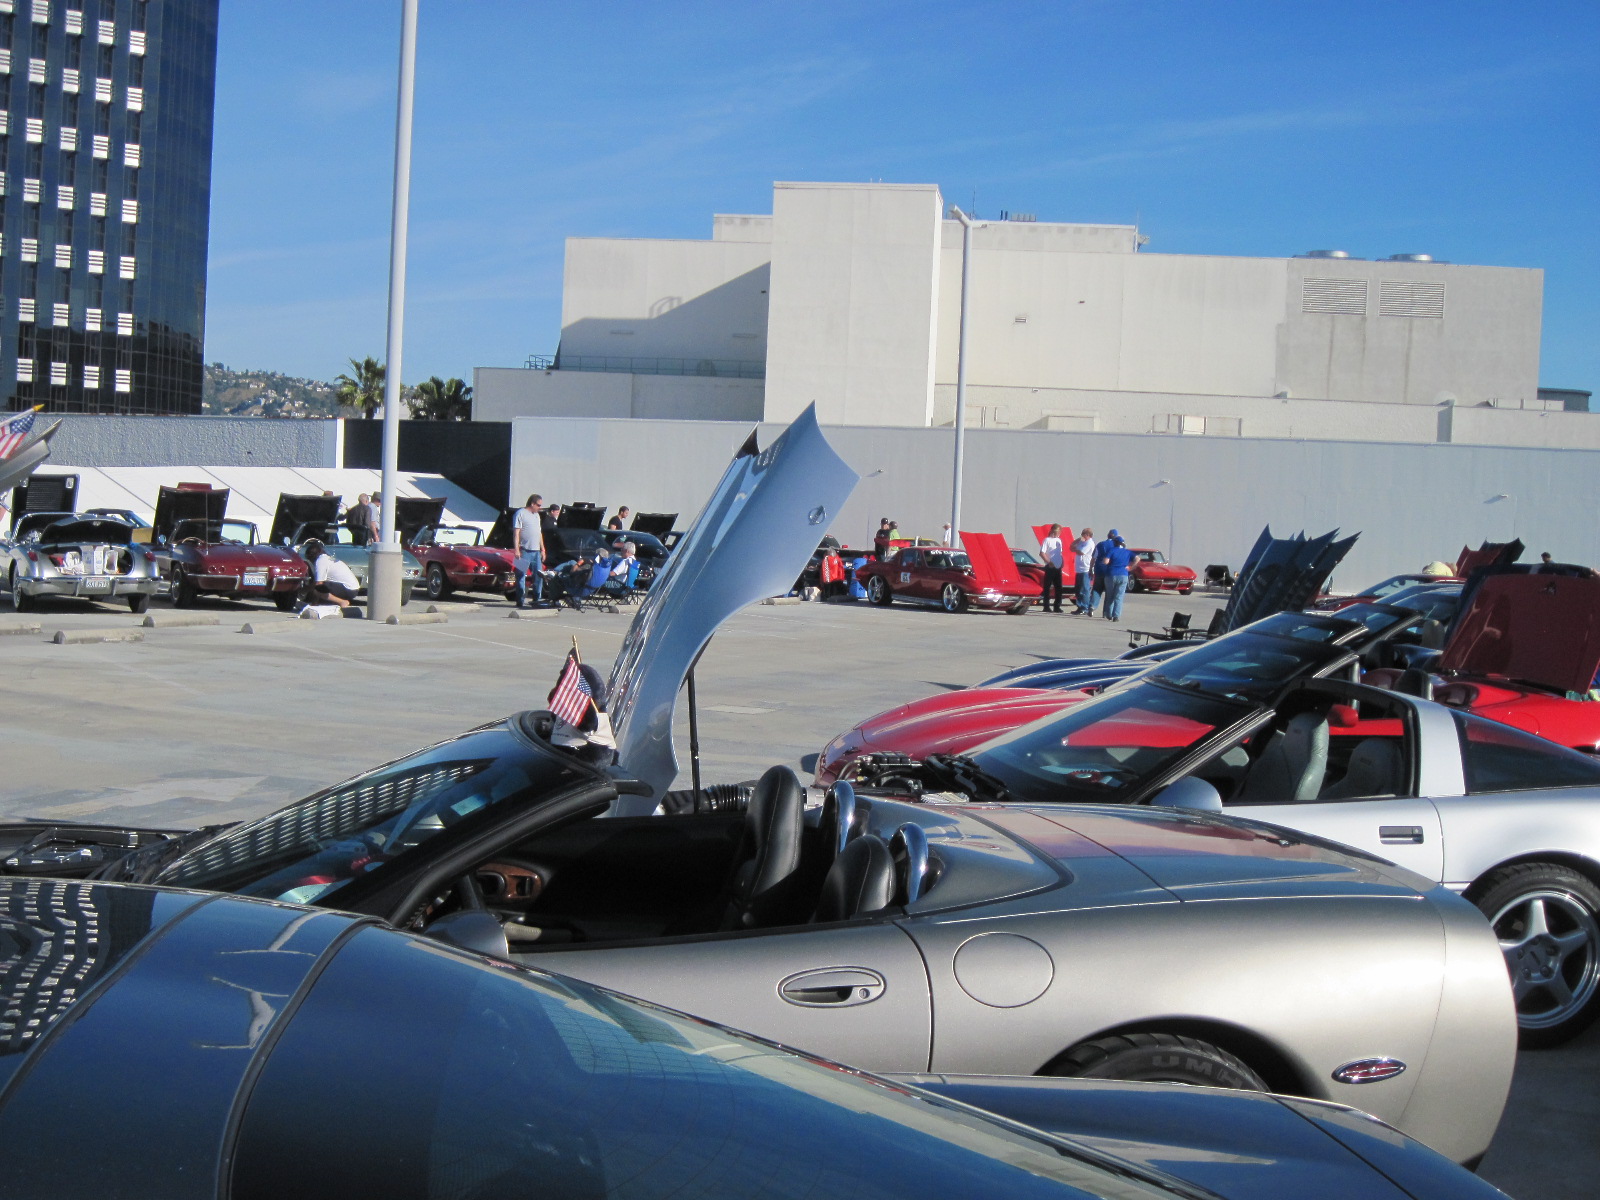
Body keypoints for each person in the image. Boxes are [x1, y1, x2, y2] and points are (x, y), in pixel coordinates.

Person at [302, 539, 360, 609]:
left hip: (348, 589)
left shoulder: (320, 561)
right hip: (354, 588)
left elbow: (319, 583)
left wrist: (305, 590)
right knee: (320, 589)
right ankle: (316, 603)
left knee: (318, 588)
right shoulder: (327, 558)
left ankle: (342, 602)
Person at [512, 494, 545, 608]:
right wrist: (516, 549)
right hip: (524, 550)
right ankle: (520, 599)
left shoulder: (537, 516)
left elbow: (539, 533)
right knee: (521, 575)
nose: (540, 508)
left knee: (539, 575)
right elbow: (516, 533)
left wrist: (543, 549)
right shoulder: (520, 513)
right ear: (532, 503)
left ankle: (537, 599)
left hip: (536, 552)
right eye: (538, 505)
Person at [1098, 531, 1134, 622]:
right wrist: (1131, 567)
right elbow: (1137, 558)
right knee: (1119, 596)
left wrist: (1105, 562)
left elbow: (1106, 561)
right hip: (1123, 575)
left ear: (1115, 542)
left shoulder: (1112, 550)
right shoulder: (1127, 552)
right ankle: (1116, 616)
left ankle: (1108, 614)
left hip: (1111, 574)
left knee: (1110, 595)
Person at [1039, 523, 1065, 613]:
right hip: (1050, 567)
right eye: (1058, 532)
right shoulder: (1047, 540)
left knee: (1059, 587)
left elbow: (1059, 553)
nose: (1059, 534)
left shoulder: (1059, 540)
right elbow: (1042, 553)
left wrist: (1062, 561)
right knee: (1047, 586)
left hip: (1058, 566)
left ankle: (1057, 606)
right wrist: (1049, 562)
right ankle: (1046, 605)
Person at [1070, 528, 1095, 614]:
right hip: (1079, 569)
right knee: (1078, 589)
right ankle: (1079, 606)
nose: (1082, 536)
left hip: (1085, 569)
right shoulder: (1082, 542)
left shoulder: (1090, 543)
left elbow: (1081, 552)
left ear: (1087, 535)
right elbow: (1071, 547)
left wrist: (1076, 550)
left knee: (1084, 589)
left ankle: (1084, 607)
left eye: (1083, 534)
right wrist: (1078, 540)